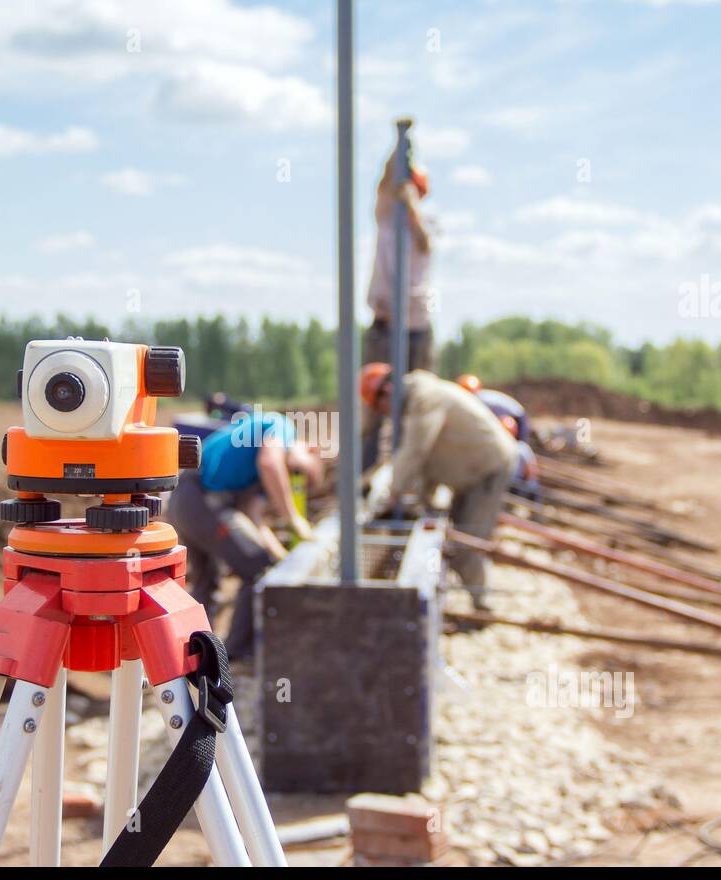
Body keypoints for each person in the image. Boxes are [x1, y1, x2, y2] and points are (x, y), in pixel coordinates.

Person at [166, 410, 322, 660]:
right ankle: (237, 652)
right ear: (311, 449)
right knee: (256, 569)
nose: (295, 479)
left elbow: (254, 519)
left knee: (208, 581)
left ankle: (192, 655)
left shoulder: (259, 475)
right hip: (200, 500)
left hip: (189, 499)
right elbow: (269, 463)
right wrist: (293, 518)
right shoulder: (281, 426)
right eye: (300, 473)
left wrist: (279, 555)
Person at [361, 363, 518, 610]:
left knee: (466, 543)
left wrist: (392, 495)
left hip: (488, 469)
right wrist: (421, 500)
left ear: (388, 391)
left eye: (379, 407)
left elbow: (415, 451)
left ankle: (483, 606)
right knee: (458, 537)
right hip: (472, 473)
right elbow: (428, 462)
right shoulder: (419, 400)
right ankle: (476, 597)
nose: (383, 413)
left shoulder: (425, 398)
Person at [364, 137, 435, 372]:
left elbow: (425, 242)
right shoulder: (386, 219)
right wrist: (400, 145)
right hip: (386, 324)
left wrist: (411, 203)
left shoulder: (426, 225)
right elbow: (385, 180)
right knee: (378, 392)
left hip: (416, 325)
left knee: (418, 395)